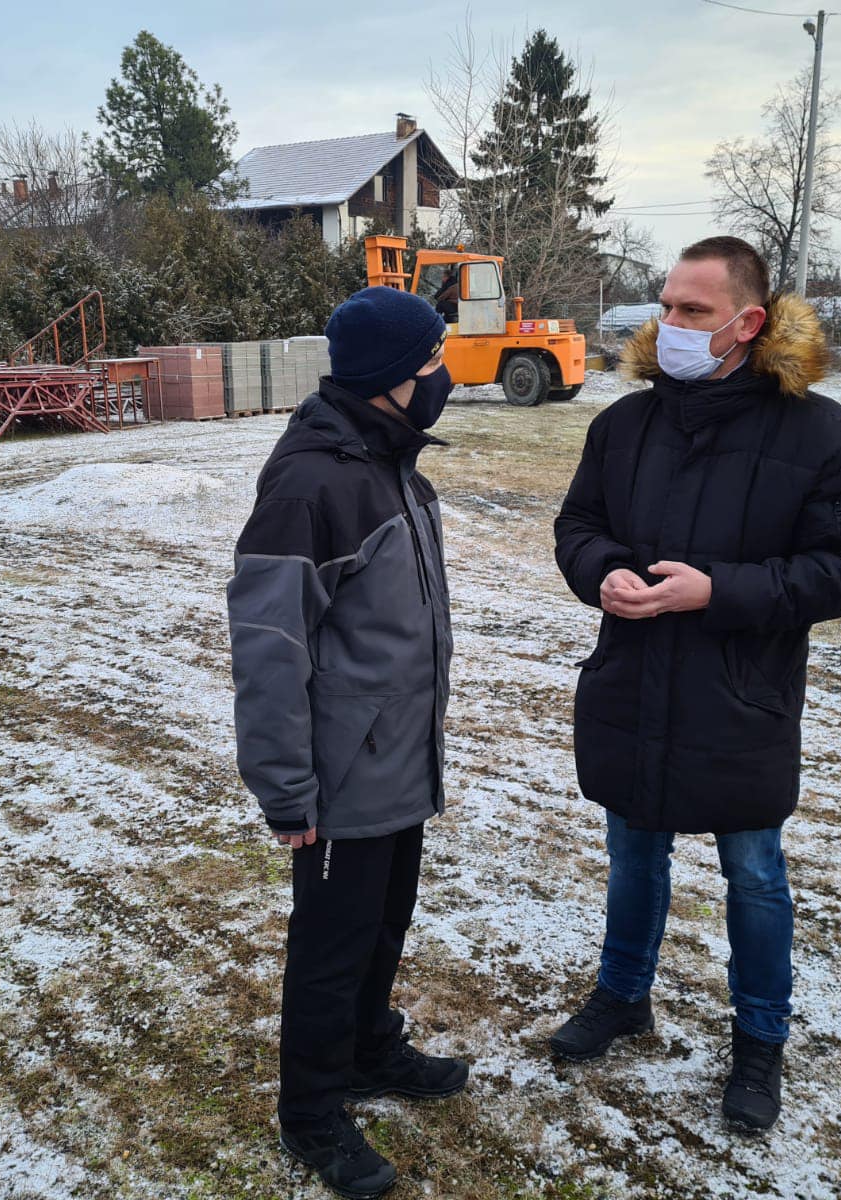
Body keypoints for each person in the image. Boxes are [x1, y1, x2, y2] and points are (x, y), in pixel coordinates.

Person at [550, 236, 841, 1131]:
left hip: (742, 694)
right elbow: (578, 526)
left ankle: (760, 1041)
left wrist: (719, 592)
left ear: (748, 323)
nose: (670, 324)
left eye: (693, 311)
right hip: (632, 682)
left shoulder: (820, 434)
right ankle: (623, 995)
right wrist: (603, 573)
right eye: (666, 305)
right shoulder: (624, 425)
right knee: (633, 853)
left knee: (754, 874)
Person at [227, 285, 466, 1199]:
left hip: (396, 757)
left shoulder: (389, 460)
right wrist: (286, 789)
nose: (443, 374)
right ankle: (312, 1113)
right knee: (331, 951)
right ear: (391, 376)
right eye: (432, 360)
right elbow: (269, 645)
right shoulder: (312, 483)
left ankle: (369, 1050)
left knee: (383, 923)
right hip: (337, 779)